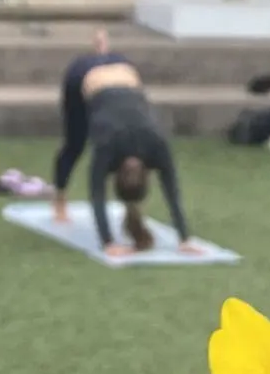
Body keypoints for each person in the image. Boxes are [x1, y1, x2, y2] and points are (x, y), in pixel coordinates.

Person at [52, 30, 200, 257]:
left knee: (78, 143)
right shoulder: (118, 147)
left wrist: (109, 242)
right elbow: (98, 194)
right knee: (75, 143)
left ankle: (102, 50)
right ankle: (59, 200)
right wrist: (184, 239)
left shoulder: (150, 147)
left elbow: (98, 194)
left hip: (123, 70)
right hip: (85, 75)